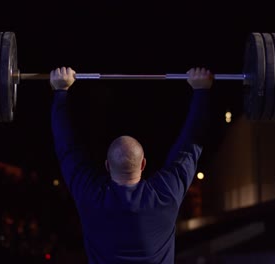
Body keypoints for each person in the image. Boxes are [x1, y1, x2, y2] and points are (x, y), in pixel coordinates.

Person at [50, 66, 213, 263]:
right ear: (143, 164)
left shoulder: (91, 197)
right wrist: (201, 90)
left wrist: (61, 91)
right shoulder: (164, 195)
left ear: (108, 165)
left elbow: (67, 148)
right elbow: (190, 147)